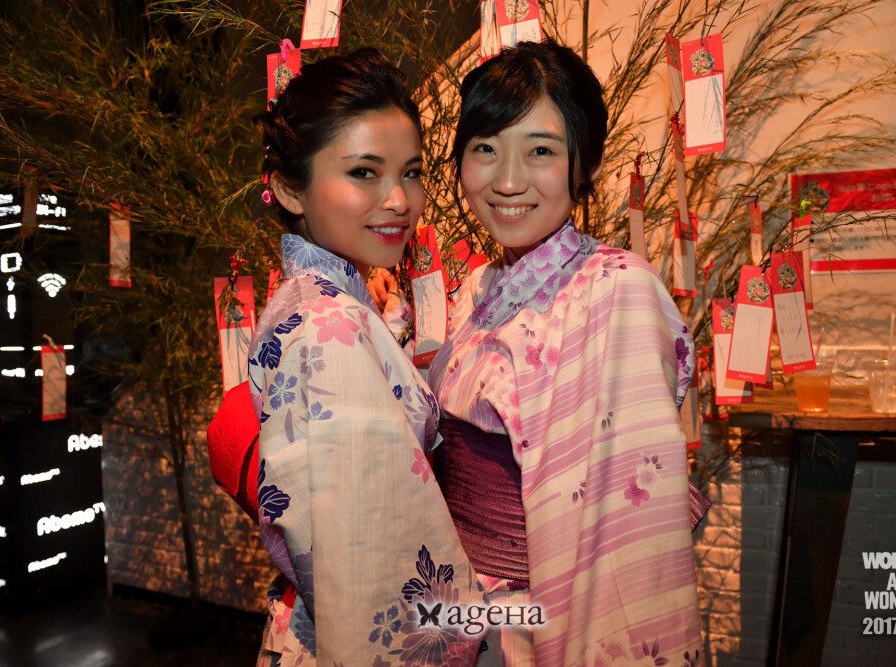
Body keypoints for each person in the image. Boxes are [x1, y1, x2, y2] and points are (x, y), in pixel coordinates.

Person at [428, 41, 705, 666]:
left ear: (585, 165)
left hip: (540, 617)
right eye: (485, 148)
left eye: (541, 151)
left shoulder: (618, 290)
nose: (507, 181)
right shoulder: (475, 288)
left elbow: (625, 513)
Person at [249, 48, 482, 666]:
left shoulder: (320, 300)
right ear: (289, 188)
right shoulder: (328, 326)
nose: (400, 199)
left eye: (411, 172)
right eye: (364, 172)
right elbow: (375, 563)